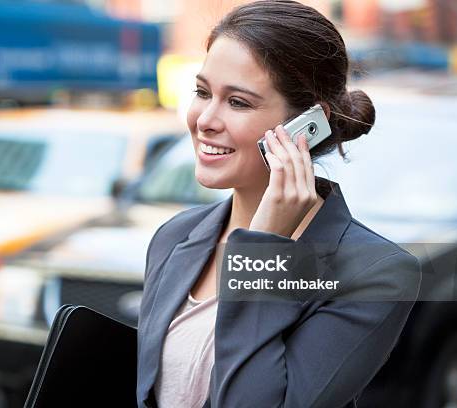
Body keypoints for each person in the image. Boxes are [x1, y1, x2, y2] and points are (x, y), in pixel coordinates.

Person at [136, 1, 422, 407]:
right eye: (202, 92)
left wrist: (266, 248)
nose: (205, 119)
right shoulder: (174, 237)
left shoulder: (373, 274)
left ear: (306, 126)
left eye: (238, 102)